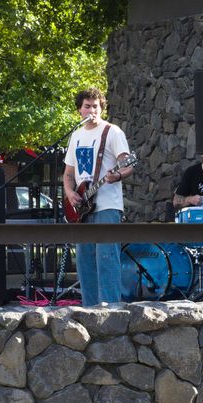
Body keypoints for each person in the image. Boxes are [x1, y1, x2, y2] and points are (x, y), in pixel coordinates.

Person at [62, 88, 133, 305]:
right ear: (79, 110)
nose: (92, 110)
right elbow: (68, 174)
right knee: (85, 261)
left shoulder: (112, 132)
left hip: (107, 205)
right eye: (87, 106)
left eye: (96, 106)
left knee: (107, 258)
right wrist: (69, 192)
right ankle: (89, 309)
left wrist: (118, 174)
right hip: (83, 206)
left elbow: (128, 164)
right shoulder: (76, 135)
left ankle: (111, 310)